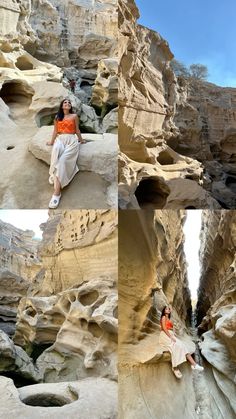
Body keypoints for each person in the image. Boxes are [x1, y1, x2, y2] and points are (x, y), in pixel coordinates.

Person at [46, 98, 85, 208]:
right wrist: (51, 142)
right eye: (65, 102)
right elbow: (55, 131)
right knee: (55, 154)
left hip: (71, 140)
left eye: (69, 103)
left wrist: (81, 140)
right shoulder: (57, 117)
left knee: (62, 161)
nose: (67, 103)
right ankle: (56, 176)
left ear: (70, 106)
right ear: (62, 106)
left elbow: (77, 130)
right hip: (60, 139)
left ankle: (56, 193)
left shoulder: (74, 116)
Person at [159, 306, 204, 379]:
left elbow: (171, 328)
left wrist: (173, 335)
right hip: (164, 335)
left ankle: (194, 365)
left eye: (169, 309)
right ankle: (175, 367)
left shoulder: (169, 319)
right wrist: (170, 336)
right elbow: (164, 328)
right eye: (166, 309)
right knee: (174, 346)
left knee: (182, 345)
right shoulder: (163, 317)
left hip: (171, 335)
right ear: (164, 311)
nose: (168, 310)